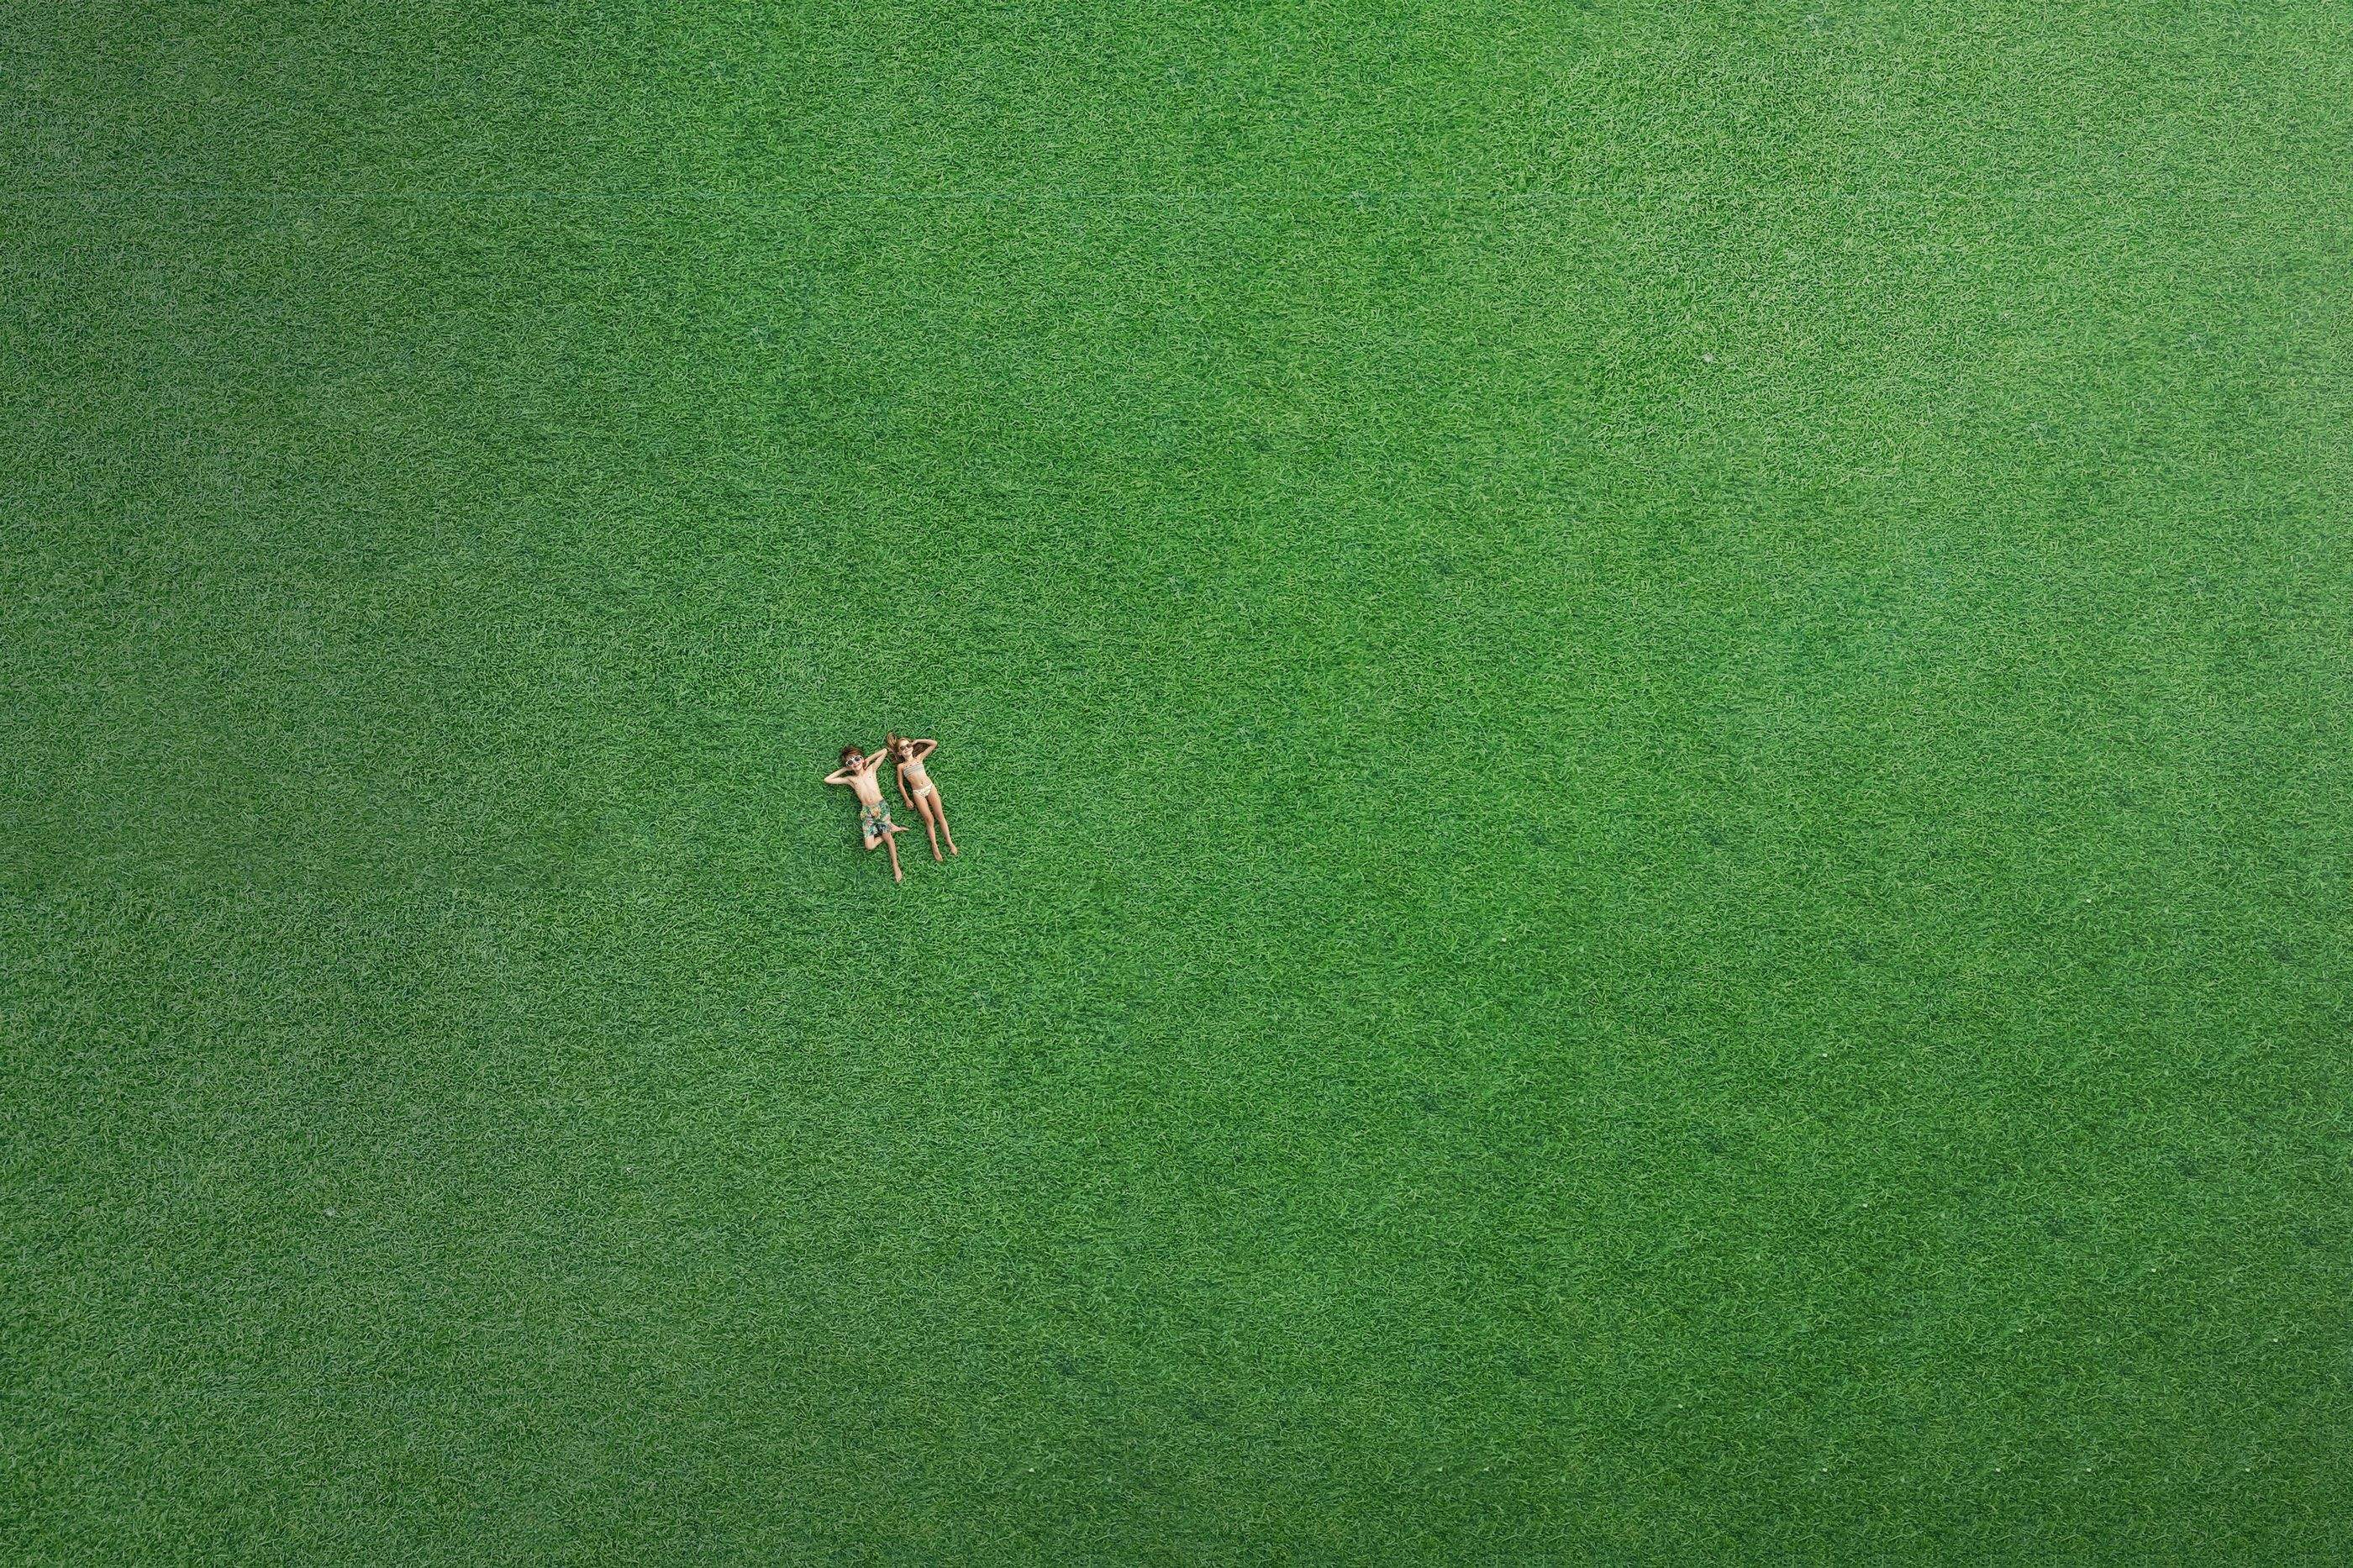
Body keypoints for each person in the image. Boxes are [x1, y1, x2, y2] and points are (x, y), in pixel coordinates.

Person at [823, 745, 907, 881]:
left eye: (857, 759)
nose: (855, 763)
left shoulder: (871, 770)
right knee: (869, 846)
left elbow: (884, 751)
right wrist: (845, 768)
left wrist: (866, 760)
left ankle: (896, 866)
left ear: (862, 759)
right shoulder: (851, 780)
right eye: (850, 762)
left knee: (888, 839)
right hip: (866, 812)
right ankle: (890, 829)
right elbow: (828, 779)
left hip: (880, 807)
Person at [887, 734, 959, 861]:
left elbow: (934, 743)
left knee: (940, 816)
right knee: (929, 820)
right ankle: (935, 846)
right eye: (902, 748)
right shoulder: (901, 766)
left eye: (908, 745)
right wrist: (907, 799)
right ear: (899, 753)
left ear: (912, 746)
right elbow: (900, 784)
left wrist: (918, 741)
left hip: (930, 787)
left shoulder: (919, 758)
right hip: (917, 792)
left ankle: (949, 842)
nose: (906, 749)